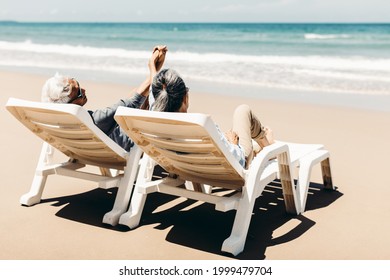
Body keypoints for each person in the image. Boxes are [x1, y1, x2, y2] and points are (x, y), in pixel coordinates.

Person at [40, 45, 168, 151]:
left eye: (76, 82)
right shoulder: (95, 120)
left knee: (135, 93)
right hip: (131, 144)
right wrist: (151, 66)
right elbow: (133, 102)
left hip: (90, 150)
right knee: (167, 97)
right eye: (79, 92)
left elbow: (132, 99)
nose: (83, 90)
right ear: (70, 104)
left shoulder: (58, 123)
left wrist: (154, 70)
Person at [150, 68, 275, 168]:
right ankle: (267, 144)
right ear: (184, 98)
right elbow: (237, 159)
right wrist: (233, 144)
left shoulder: (153, 123)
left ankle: (259, 146)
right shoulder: (201, 125)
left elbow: (155, 96)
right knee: (242, 110)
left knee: (235, 132)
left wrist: (154, 69)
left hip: (188, 167)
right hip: (233, 165)